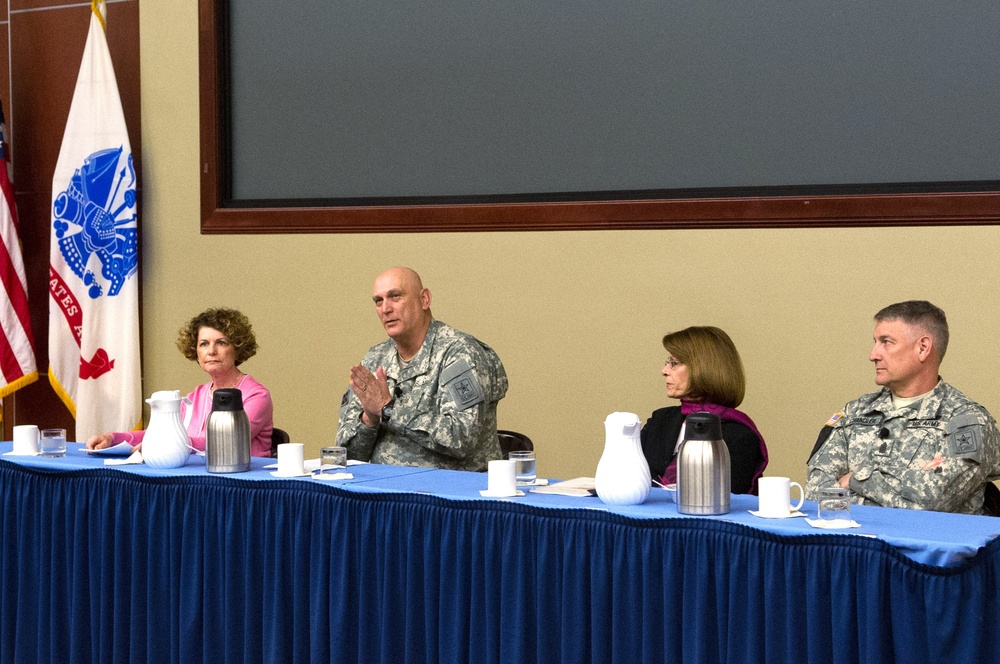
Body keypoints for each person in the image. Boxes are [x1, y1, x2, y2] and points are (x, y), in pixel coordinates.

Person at [806, 300, 1000, 514]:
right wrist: (910, 481)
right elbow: (817, 494)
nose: (873, 355)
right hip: (857, 545)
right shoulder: (855, 412)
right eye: (875, 342)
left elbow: (933, 504)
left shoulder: (966, 420)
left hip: (925, 546)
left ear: (923, 348)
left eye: (886, 342)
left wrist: (854, 479)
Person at [336, 267, 508, 471]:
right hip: (385, 491)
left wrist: (389, 409)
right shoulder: (375, 359)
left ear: (424, 299)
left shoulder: (459, 353)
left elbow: (461, 438)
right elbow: (346, 456)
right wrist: (369, 419)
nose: (385, 309)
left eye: (395, 296)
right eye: (378, 301)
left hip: (448, 495)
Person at [87, 308, 274, 457]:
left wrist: (174, 444)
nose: (211, 351)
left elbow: (228, 440)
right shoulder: (196, 395)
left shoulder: (256, 395)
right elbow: (159, 433)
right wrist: (113, 438)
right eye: (203, 344)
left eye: (222, 342)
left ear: (238, 348)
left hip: (243, 485)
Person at [640, 326, 768, 494]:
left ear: (703, 368)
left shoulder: (740, 437)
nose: (664, 371)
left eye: (674, 363)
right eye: (667, 363)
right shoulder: (660, 420)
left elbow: (732, 502)